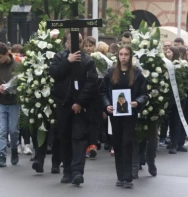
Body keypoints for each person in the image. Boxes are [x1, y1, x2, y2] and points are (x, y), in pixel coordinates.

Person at [49, 33, 98, 186]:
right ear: (67, 42)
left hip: (80, 107)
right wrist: (67, 62)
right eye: (72, 40)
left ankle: (77, 172)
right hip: (63, 105)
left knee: (79, 139)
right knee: (64, 138)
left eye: (79, 41)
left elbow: (92, 83)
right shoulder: (59, 57)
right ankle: (67, 171)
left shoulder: (88, 60)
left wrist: (80, 102)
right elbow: (54, 73)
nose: (76, 43)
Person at [101, 45, 148, 188]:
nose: (123, 57)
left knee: (127, 142)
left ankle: (128, 177)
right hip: (115, 114)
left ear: (130, 56)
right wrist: (107, 105)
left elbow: (144, 94)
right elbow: (103, 92)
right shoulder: (111, 73)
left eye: (126, 54)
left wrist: (137, 102)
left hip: (130, 114)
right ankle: (120, 176)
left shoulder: (137, 73)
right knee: (117, 143)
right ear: (118, 56)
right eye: (121, 54)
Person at [0, 42, 21, 167]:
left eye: (0, 57)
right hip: (0, 102)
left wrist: (13, 88)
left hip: (13, 102)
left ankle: (14, 149)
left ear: (7, 53)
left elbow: (22, 82)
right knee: (1, 129)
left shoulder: (17, 66)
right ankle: (1, 155)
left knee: (13, 129)